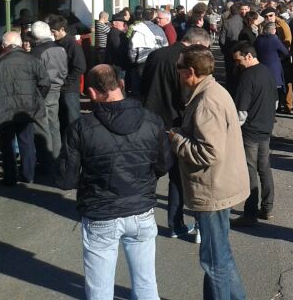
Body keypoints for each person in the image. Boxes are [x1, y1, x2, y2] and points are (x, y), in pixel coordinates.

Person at [56, 65, 171, 300]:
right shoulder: (152, 121)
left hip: (100, 212)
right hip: (141, 209)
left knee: (100, 290)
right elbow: (163, 165)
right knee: (146, 284)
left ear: (91, 92)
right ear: (121, 85)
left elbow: (66, 179)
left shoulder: (80, 128)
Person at [169, 45, 249, 299]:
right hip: (220, 184)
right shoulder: (213, 91)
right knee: (221, 256)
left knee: (214, 262)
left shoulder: (207, 101)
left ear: (191, 71)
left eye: (179, 67)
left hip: (213, 190)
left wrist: (176, 139)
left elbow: (209, 153)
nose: (177, 72)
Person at [141, 27, 211, 238]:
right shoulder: (186, 60)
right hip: (175, 123)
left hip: (150, 121)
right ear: (197, 43)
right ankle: (175, 224)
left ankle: (142, 220)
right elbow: (185, 95)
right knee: (179, 178)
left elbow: (143, 84)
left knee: (149, 175)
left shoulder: (156, 54)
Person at [230, 41, 279, 227]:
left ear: (249, 56)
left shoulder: (247, 77)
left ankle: (250, 214)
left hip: (250, 131)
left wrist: (233, 131)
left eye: (239, 60)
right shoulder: (267, 72)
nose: (238, 64)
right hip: (265, 128)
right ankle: (267, 208)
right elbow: (275, 102)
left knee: (250, 171)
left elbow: (241, 112)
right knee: (264, 168)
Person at [0, 31, 50, 185]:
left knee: (7, 145)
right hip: (26, 108)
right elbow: (45, 83)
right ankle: (28, 175)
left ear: (4, 46)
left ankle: (10, 177)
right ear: (20, 44)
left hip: (4, 110)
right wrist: (37, 98)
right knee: (26, 142)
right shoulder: (31, 59)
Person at [29, 21, 68, 167]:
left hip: (42, 91)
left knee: (42, 126)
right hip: (56, 89)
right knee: (54, 124)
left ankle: (47, 160)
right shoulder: (60, 48)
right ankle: (56, 157)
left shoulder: (37, 52)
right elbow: (64, 70)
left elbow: (34, 75)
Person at [49, 14, 87, 132]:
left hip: (69, 90)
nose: (52, 34)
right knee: (62, 120)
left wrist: (66, 82)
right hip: (59, 88)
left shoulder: (72, 45)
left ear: (62, 29)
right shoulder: (56, 43)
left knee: (72, 120)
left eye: (54, 31)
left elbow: (80, 67)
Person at [126, 8, 168, 94]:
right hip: (156, 61)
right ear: (153, 17)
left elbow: (132, 47)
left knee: (139, 88)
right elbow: (165, 46)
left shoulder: (136, 29)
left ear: (142, 16)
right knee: (152, 87)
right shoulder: (159, 30)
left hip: (141, 62)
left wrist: (134, 60)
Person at [254, 21, 290, 108]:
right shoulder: (274, 39)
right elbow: (285, 52)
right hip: (274, 69)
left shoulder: (258, 39)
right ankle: (274, 109)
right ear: (273, 30)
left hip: (261, 68)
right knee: (274, 91)